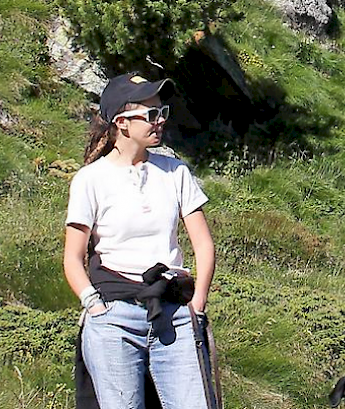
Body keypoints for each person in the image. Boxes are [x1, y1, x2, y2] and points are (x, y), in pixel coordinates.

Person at [63, 72, 216, 409]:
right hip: (114, 316)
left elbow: (203, 245)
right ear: (121, 122)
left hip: (174, 312)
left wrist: (197, 304)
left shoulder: (176, 172)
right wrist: (94, 306)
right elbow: (72, 257)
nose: (159, 121)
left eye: (162, 113)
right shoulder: (90, 180)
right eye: (149, 115)